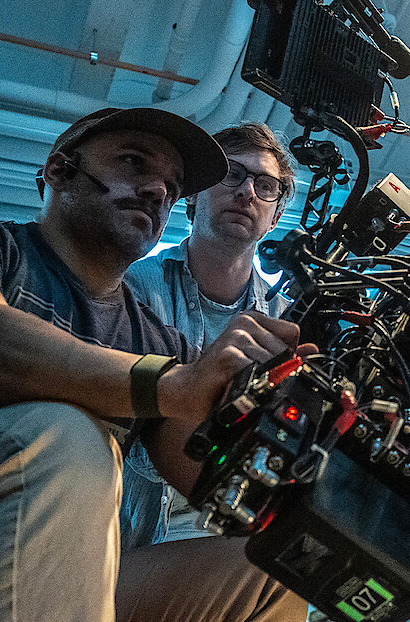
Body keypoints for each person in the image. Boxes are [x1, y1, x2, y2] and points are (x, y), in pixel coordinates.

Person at [0, 107, 309, 622]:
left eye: (171, 182)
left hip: (59, 580)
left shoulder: (156, 339)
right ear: (58, 171)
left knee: (281, 564)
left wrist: (314, 448)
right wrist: (165, 384)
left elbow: (213, 481)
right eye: (135, 163)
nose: (157, 189)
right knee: (63, 431)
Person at [120, 122, 295, 548]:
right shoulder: (134, 285)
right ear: (193, 196)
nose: (247, 191)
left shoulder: (284, 319)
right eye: (231, 174)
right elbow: (123, 423)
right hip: (137, 526)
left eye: (265, 185)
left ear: (273, 219)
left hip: (229, 528)